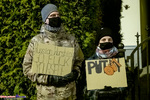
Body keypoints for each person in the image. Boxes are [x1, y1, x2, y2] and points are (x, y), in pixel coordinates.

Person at [22, 4, 84, 100]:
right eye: (52, 16)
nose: (56, 18)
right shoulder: (36, 41)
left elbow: (79, 61)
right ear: (45, 20)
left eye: (57, 15)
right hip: (46, 96)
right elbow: (27, 68)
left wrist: (75, 73)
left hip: (67, 95)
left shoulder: (71, 40)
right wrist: (48, 79)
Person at [83, 27, 127, 100]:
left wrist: (118, 91)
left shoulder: (119, 61)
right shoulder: (90, 61)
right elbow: (84, 87)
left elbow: (128, 82)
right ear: (98, 43)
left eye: (109, 40)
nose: (107, 41)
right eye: (103, 40)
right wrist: (96, 93)